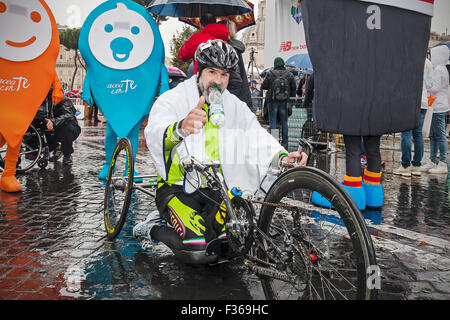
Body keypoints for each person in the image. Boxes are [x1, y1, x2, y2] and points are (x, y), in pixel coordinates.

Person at [135, 39, 308, 264]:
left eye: (224, 75)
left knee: (233, 245)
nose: (217, 81)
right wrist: (180, 127)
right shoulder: (174, 98)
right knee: (197, 252)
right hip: (177, 188)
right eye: (212, 72)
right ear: (199, 71)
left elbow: (255, 134)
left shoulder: (233, 104)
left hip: (216, 189)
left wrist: (283, 156)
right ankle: (152, 227)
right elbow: (154, 132)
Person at [393, 59, 432, 177]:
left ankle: (405, 166)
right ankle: (416, 165)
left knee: (406, 132)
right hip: (423, 100)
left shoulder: (408, 58)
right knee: (418, 133)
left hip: (409, 100)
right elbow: (430, 84)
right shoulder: (429, 63)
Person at [421, 45, 449, 174]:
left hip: (437, 106)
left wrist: (427, 84)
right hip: (437, 105)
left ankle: (442, 162)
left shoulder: (438, 69)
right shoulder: (442, 69)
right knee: (434, 135)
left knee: (439, 135)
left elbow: (435, 88)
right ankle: (432, 161)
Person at [261, 57, 296, 150]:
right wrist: (290, 98)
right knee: (284, 122)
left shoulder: (270, 73)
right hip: (284, 102)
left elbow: (264, 86)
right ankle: (285, 144)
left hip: (272, 102)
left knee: (273, 122)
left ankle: (274, 142)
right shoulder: (289, 74)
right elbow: (293, 88)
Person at [223, 20, 253, 112]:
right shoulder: (235, 47)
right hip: (242, 96)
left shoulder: (229, 48)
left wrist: (228, 100)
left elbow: (235, 79)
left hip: (235, 99)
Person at [44, 98, 81, 165]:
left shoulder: (64, 100)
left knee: (66, 129)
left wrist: (53, 122)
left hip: (69, 127)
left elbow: (69, 115)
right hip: (53, 128)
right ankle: (57, 148)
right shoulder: (42, 100)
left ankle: (67, 154)